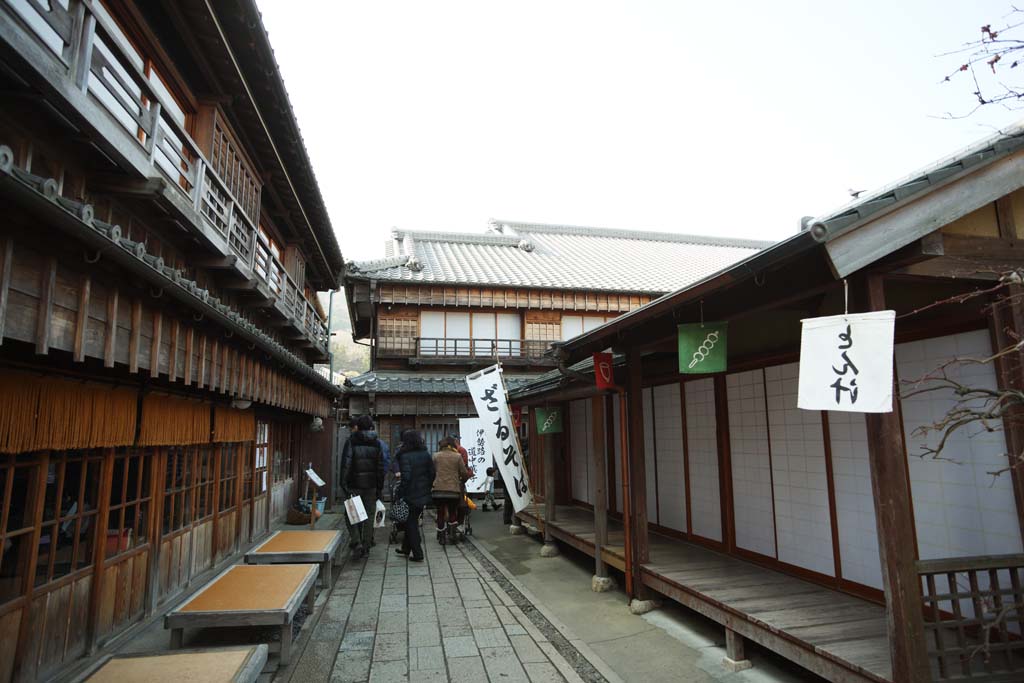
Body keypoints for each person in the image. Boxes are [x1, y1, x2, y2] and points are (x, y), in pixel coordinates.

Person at [339, 415, 385, 558]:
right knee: (369, 516)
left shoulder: (351, 441)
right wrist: (379, 487)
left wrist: (343, 483)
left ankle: (356, 541)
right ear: (371, 426)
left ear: (358, 426)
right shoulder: (377, 443)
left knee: (351, 514)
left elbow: (346, 464)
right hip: (371, 485)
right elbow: (380, 467)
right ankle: (366, 545)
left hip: (354, 484)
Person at [394, 429, 433, 562]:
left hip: (410, 494)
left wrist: (400, 493)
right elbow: (432, 474)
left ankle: (418, 553)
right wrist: (427, 487)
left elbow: (406, 477)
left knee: (411, 524)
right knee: (412, 520)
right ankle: (406, 548)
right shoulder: (425, 454)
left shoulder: (405, 456)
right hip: (422, 493)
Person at [432, 435, 469, 542]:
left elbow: (432, 471)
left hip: (438, 490)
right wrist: (462, 480)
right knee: (453, 511)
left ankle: (442, 536)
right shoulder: (457, 456)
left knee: (440, 512)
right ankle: (452, 535)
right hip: (453, 490)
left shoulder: (435, 456)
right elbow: (464, 473)